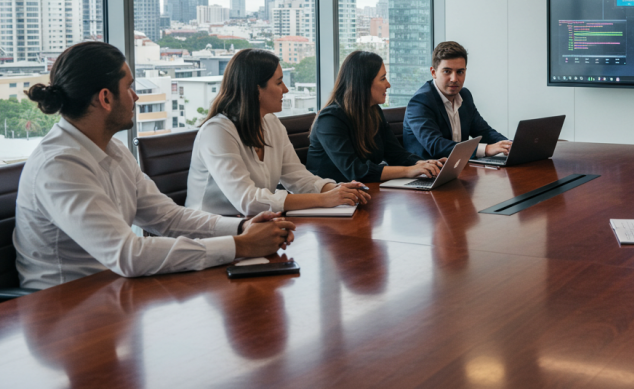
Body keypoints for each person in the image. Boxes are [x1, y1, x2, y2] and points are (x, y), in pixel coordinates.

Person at [14, 42, 294, 290]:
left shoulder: (112, 151)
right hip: (63, 308)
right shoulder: (60, 165)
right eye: (129, 87)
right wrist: (240, 245)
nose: (135, 97)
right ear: (105, 98)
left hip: (114, 290)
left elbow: (169, 218)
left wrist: (241, 227)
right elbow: (128, 254)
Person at [186, 49, 369, 216]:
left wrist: (336, 190)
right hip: (209, 233)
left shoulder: (271, 123)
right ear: (256, 90)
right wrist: (325, 199)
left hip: (253, 225)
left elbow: (297, 178)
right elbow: (248, 200)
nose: (286, 90)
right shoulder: (217, 132)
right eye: (279, 82)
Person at [306, 51, 444, 183]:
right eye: (383, 78)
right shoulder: (330, 119)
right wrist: (409, 171)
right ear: (363, 84)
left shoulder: (373, 111)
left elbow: (396, 154)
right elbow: (356, 171)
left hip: (361, 193)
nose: (388, 85)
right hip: (329, 199)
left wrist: (423, 164)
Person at [403, 41, 511, 160]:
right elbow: (436, 145)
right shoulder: (420, 101)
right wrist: (486, 149)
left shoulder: (465, 95)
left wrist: (509, 145)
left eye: (460, 72)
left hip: (459, 168)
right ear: (433, 73)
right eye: (447, 71)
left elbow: (484, 132)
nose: (454, 79)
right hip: (428, 173)